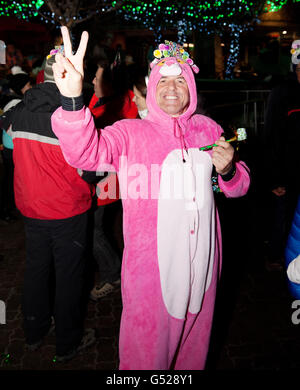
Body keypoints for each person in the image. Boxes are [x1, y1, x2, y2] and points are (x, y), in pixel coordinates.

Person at [51, 27, 250, 370]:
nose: (171, 88)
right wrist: (72, 101)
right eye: (163, 81)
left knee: (193, 356)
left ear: (192, 86)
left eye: (180, 80)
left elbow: (238, 186)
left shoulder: (209, 129)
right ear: (151, 87)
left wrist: (230, 170)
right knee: (145, 360)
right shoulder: (131, 133)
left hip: (203, 272)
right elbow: (84, 152)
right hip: (151, 280)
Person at [0, 48, 96, 363]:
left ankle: (33, 332)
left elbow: (9, 144)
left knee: (36, 269)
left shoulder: (17, 109)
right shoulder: (75, 116)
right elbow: (91, 169)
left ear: (44, 73)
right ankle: (68, 343)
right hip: (67, 209)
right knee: (69, 276)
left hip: (30, 207)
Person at [88, 57, 138, 300]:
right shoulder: (100, 100)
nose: (92, 81)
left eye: (97, 78)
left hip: (108, 178)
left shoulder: (121, 107)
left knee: (94, 228)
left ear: (109, 83)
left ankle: (113, 273)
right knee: (99, 226)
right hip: (100, 177)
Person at [261, 43, 300, 271]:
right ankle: (275, 256)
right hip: (287, 173)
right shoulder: (282, 93)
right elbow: (271, 136)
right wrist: (274, 177)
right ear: (295, 68)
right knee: (283, 219)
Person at [0, 72, 32, 222]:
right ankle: (6, 209)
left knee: (11, 178)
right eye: (28, 85)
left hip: (10, 146)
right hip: (12, 147)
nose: (31, 87)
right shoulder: (14, 103)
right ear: (21, 88)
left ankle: (8, 207)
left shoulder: (13, 100)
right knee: (10, 179)